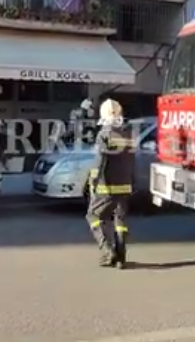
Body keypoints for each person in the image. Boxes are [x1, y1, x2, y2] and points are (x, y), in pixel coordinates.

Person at [85, 99, 134, 269]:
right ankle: (121, 257)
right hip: (125, 184)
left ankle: (107, 251)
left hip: (107, 186)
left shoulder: (104, 134)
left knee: (93, 215)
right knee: (119, 219)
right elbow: (131, 159)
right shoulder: (128, 134)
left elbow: (100, 160)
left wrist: (92, 180)